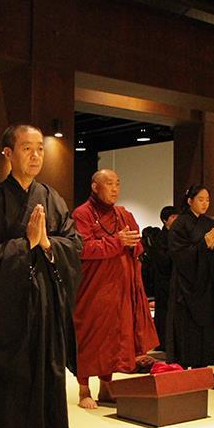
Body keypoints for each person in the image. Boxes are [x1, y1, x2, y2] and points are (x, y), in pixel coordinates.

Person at [0, 124, 82, 428]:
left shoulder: (52, 198)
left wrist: (47, 244)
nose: (35, 156)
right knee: (11, 375)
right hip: (9, 309)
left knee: (46, 369)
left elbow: (74, 244)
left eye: (40, 149)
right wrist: (25, 245)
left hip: (44, 303)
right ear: (8, 153)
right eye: (26, 148)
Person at [72, 169, 158, 409]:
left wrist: (131, 244)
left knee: (113, 338)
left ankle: (106, 387)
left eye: (118, 184)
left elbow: (137, 244)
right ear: (95, 187)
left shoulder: (123, 214)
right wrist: (117, 242)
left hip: (120, 288)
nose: (115, 189)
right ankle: (83, 389)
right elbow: (82, 248)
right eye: (109, 183)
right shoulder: (82, 214)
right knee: (90, 336)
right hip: (94, 288)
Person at [166, 185, 214, 368]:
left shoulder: (209, 223)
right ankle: (186, 365)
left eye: (207, 199)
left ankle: (204, 365)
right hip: (186, 286)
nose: (205, 203)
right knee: (188, 329)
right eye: (201, 199)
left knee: (207, 329)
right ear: (189, 200)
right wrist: (203, 245)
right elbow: (179, 254)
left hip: (207, 285)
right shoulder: (180, 224)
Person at [141, 206, 177, 348]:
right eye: (173, 217)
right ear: (164, 220)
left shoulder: (177, 235)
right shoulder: (161, 238)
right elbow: (162, 260)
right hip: (163, 280)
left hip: (173, 279)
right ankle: (162, 342)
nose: (176, 220)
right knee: (163, 312)